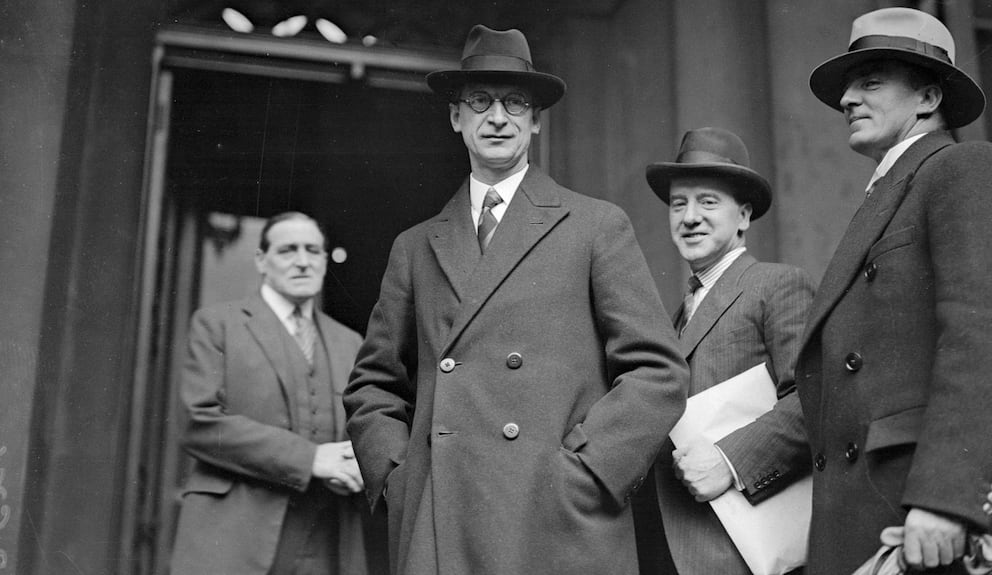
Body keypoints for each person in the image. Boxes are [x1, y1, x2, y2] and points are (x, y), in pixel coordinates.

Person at [343, 25, 688, 575]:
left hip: (555, 519)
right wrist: (399, 475)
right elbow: (373, 383)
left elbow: (658, 372)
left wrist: (588, 471)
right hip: (442, 518)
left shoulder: (595, 226)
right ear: (456, 116)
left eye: (514, 102)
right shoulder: (415, 246)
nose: (497, 117)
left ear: (535, 120)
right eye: (480, 101)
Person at [798, 7, 992, 574]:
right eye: (849, 86)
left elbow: (989, 336)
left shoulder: (966, 167)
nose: (847, 98)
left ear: (927, 98)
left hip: (924, 522)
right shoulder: (888, 195)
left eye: (870, 82)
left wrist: (949, 498)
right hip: (871, 515)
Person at [631, 127, 814, 575]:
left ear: (744, 216)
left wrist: (730, 460)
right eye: (679, 204)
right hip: (672, 545)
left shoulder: (776, 284)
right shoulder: (677, 314)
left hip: (746, 547)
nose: (690, 216)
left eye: (708, 202)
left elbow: (816, 400)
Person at [170, 212, 386, 575]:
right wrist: (311, 458)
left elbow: (363, 428)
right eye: (288, 250)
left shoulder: (349, 341)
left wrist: (362, 463)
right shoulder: (218, 326)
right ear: (261, 260)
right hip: (234, 536)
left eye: (313, 251)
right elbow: (198, 421)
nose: (303, 261)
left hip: (327, 540)